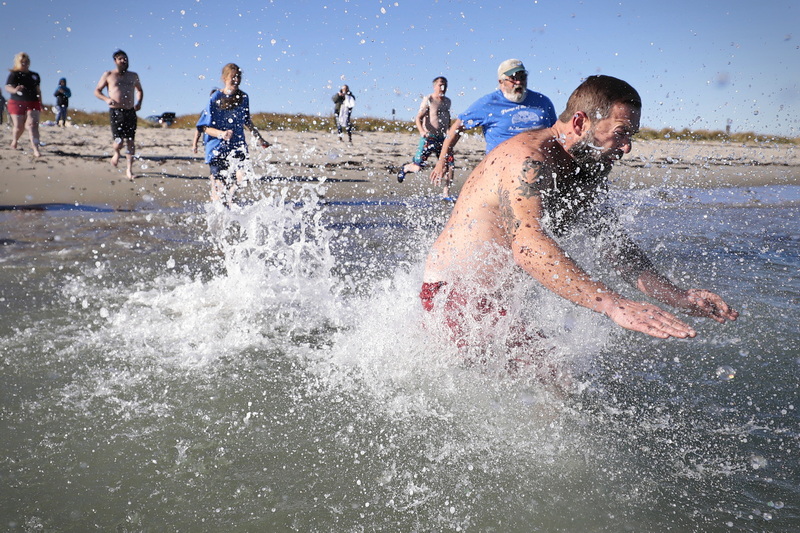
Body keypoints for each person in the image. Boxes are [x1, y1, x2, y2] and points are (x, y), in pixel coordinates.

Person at [421, 75, 737, 357]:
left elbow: (614, 246)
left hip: (495, 301)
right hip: (454, 296)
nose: (627, 148)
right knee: (554, 381)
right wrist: (614, 304)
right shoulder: (528, 160)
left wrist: (679, 296)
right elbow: (527, 244)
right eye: (621, 132)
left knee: (559, 384)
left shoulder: (585, 165)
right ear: (579, 123)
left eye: (632, 135)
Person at [429, 59, 557, 190]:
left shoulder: (543, 102)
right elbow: (457, 127)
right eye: (513, 79)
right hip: (501, 169)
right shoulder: (488, 103)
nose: (518, 82)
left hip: (540, 169)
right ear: (501, 81)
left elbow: (557, 133)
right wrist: (442, 161)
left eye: (522, 77)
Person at [196, 63, 270, 204]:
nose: (236, 80)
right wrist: (221, 134)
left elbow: (247, 121)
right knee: (219, 189)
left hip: (238, 146)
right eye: (233, 77)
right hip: (217, 149)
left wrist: (260, 139)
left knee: (243, 178)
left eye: (239, 77)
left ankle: (231, 202)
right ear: (224, 78)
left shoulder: (244, 97)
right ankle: (220, 212)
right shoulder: (216, 97)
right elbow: (204, 127)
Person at [396, 77, 455, 198]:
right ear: (434, 86)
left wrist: (449, 132)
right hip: (429, 137)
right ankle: (406, 168)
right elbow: (418, 118)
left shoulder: (448, 101)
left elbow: (447, 118)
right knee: (417, 168)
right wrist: (422, 131)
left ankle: (446, 194)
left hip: (443, 138)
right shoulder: (429, 99)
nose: (443, 88)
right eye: (440, 85)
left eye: (445, 85)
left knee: (450, 165)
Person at [94, 50, 144, 180]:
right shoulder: (109, 74)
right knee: (119, 141)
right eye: (120, 59)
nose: (123, 61)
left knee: (131, 141)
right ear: (115, 61)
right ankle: (116, 153)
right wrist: (106, 99)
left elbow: (139, 90)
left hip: (130, 111)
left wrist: (139, 102)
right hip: (116, 111)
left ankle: (129, 170)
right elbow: (97, 91)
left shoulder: (133, 76)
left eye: (125, 58)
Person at [5, 52, 43, 157]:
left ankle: (36, 148)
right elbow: (7, 87)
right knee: (19, 127)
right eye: (22, 62)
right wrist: (14, 90)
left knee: (32, 125)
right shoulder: (14, 74)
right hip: (16, 102)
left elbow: (38, 90)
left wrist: (41, 103)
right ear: (18, 63)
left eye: (26, 62)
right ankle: (15, 140)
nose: (24, 64)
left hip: (33, 102)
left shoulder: (34, 75)